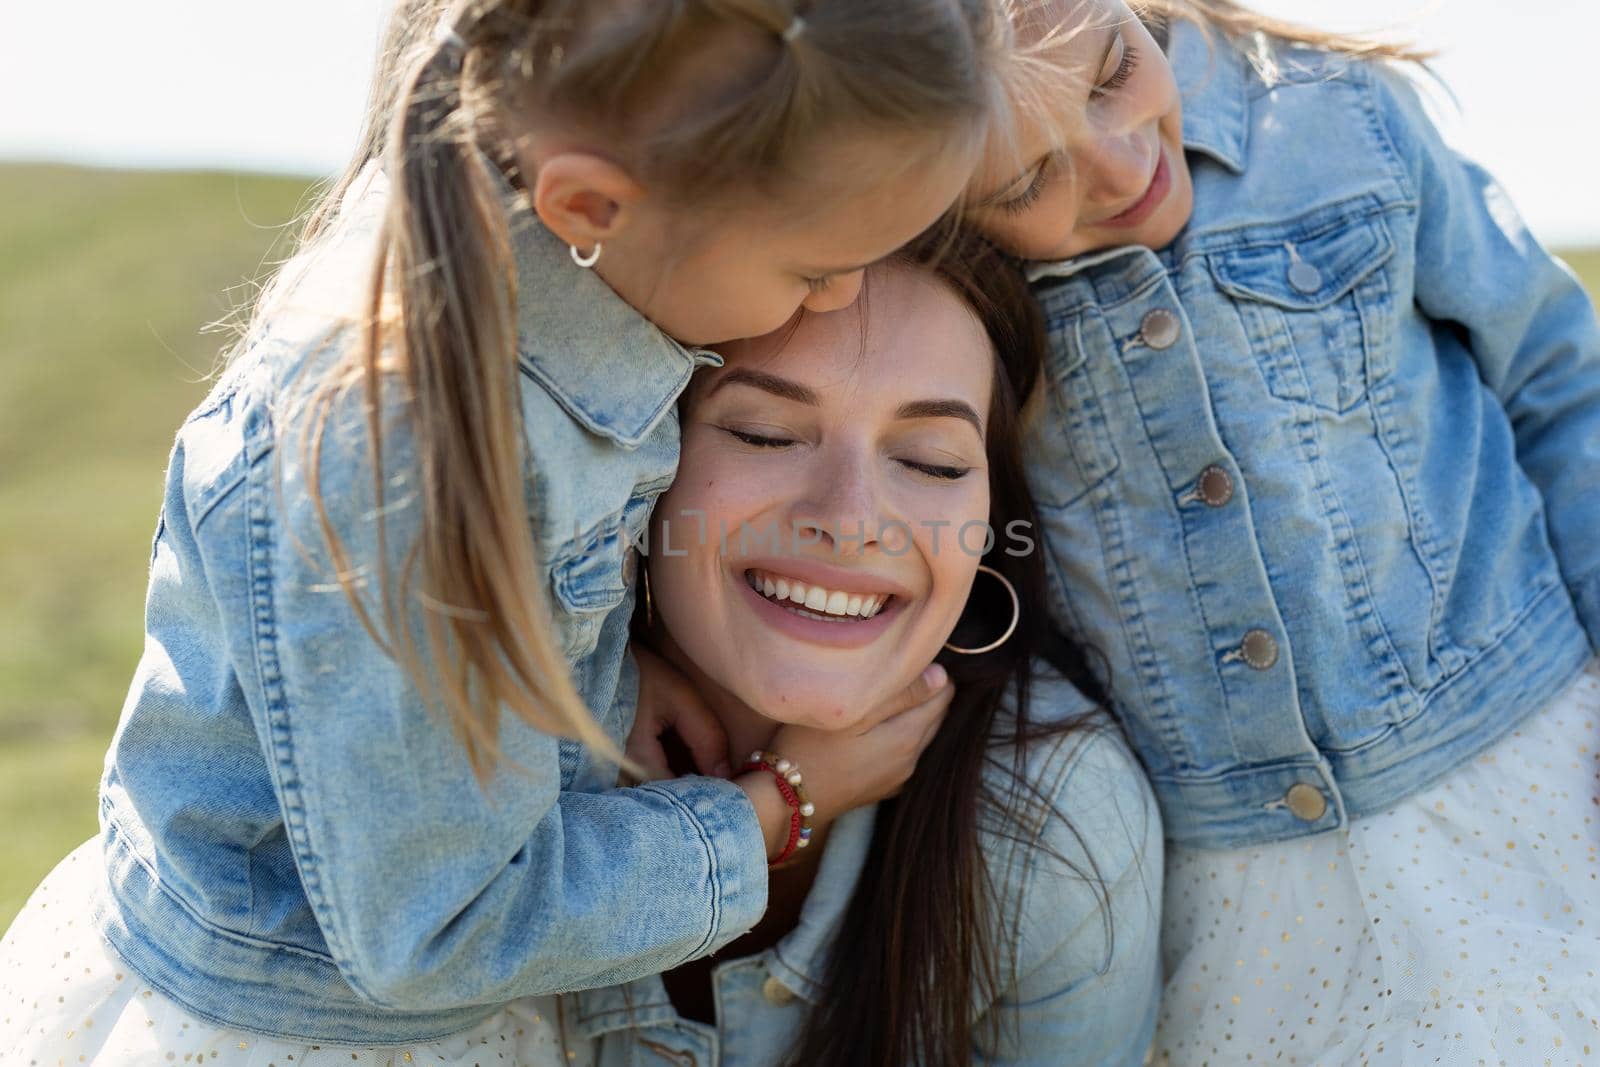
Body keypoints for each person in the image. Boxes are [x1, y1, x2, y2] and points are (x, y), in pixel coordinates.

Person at [0, 0, 1009, 1059]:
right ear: (589, 203)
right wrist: (778, 808)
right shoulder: (401, 455)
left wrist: (577, 674)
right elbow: (437, 926)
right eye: (810, 269)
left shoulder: (537, 293)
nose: (841, 295)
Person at [962, 0, 1600, 1060]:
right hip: (1242, 888)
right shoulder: (964, 292)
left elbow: (1555, 377)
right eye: (1030, 181)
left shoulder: (1336, 118)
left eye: (1113, 72)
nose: (1119, 170)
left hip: (1533, 764)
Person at [573, 250, 1160, 1066]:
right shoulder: (502, 747)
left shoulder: (1060, 822)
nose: (849, 519)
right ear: (643, 472)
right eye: (764, 433)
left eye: (931, 461)